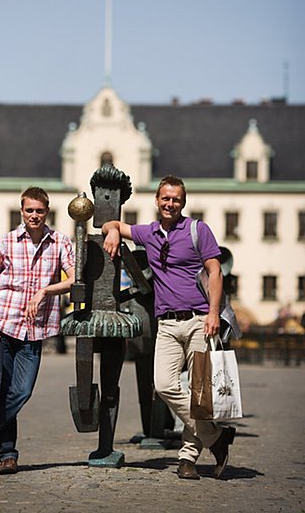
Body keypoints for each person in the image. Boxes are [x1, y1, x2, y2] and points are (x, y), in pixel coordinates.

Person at [102, 175, 236, 480]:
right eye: (165, 198)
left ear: (183, 202)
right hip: (166, 324)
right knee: (163, 385)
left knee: (199, 394)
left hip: (199, 320)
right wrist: (111, 232)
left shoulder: (197, 230)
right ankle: (216, 437)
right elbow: (114, 224)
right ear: (157, 201)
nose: (170, 204)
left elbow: (215, 273)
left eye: (176, 199)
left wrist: (213, 313)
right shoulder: (148, 233)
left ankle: (188, 458)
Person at [0, 187, 75, 475]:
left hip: (33, 332)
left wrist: (46, 290)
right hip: (2, 326)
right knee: (3, 394)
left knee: (20, 392)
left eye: (40, 210)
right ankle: (8, 455)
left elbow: (75, 279)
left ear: (48, 211)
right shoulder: (5, 242)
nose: (34, 215)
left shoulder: (60, 242)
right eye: (29, 210)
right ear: (22, 211)